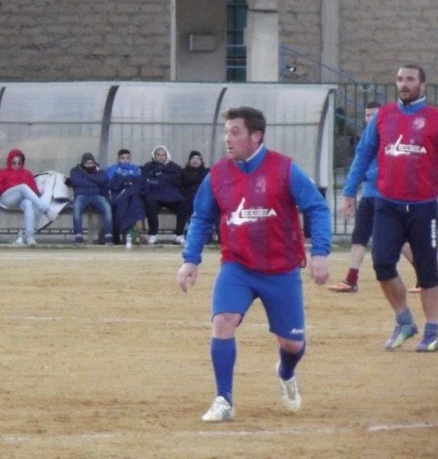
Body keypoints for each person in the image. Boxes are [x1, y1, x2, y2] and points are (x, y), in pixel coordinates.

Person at [176, 106, 331, 421]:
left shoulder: (284, 169)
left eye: (235, 132)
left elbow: (317, 207)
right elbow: (202, 216)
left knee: (292, 343)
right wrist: (190, 260)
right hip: (238, 266)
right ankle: (224, 400)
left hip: (282, 270)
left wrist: (320, 252)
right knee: (223, 321)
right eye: (226, 132)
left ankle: (286, 372)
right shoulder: (218, 173)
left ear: (255, 136)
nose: (227, 139)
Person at [341, 64, 438, 353]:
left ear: (423, 85)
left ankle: (432, 331)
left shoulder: (436, 119)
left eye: (410, 79)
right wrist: (349, 191)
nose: (404, 83)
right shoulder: (383, 117)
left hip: (423, 207)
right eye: (400, 79)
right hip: (387, 203)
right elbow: (363, 154)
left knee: (427, 270)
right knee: (382, 263)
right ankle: (404, 321)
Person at [328, 102, 415, 293]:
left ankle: (423, 273)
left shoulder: (389, 137)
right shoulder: (367, 139)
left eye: (373, 115)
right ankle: (351, 279)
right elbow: (359, 162)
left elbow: (390, 164)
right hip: (368, 195)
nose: (370, 119)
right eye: (367, 115)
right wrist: (350, 190)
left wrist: (365, 176)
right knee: (359, 235)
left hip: (386, 197)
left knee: (396, 240)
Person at [0, 148, 52, 246]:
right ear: (9, 162)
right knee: (23, 187)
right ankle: (45, 209)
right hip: (6, 199)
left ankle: (29, 236)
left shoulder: (27, 174)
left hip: (20, 201)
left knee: (28, 203)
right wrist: (6, 187)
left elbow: (34, 192)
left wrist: (41, 191)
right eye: (14, 162)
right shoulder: (2, 172)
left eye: (19, 163)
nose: (17, 165)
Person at [142, 145, 190, 245]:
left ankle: (179, 235)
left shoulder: (174, 167)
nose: (161, 157)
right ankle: (153, 234)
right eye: (158, 155)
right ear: (154, 156)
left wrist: (159, 178)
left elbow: (177, 182)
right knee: (150, 205)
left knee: (183, 205)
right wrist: (163, 179)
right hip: (155, 195)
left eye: (163, 155)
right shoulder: (148, 166)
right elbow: (145, 181)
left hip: (172, 195)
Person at [68, 152, 113, 244]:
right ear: (82, 163)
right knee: (76, 207)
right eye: (87, 163)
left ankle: (108, 235)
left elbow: (103, 180)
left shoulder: (99, 170)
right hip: (81, 195)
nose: (89, 165)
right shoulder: (75, 170)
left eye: (91, 163)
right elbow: (77, 182)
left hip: (96, 195)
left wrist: (86, 176)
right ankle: (78, 236)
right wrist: (94, 179)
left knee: (107, 207)